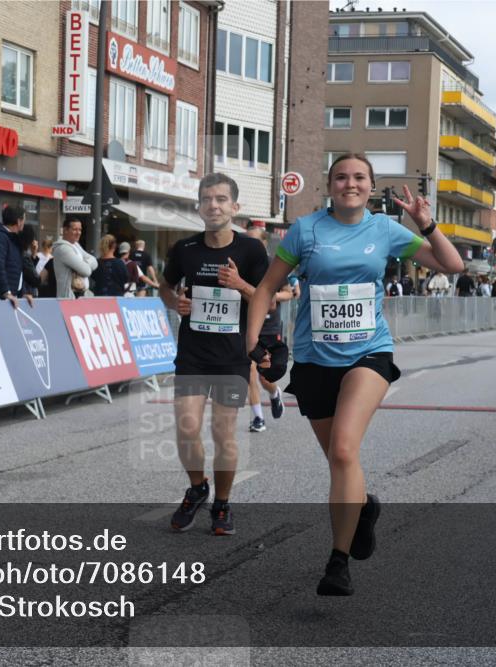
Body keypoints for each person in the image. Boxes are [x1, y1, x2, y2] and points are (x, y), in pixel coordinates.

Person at [245, 153, 463, 596]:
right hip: (314, 359)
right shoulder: (306, 231)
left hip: (369, 353)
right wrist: (252, 346)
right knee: (339, 461)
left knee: (344, 451)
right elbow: (266, 288)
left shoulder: (384, 229)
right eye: (342, 176)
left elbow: (451, 265)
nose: (351, 183)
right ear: (330, 185)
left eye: (359, 177)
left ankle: (337, 562)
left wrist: (427, 224)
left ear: (370, 185)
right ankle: (363, 507)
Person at [159, 173, 268, 537]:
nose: (214, 205)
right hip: (192, 355)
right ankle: (197, 487)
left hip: (232, 358)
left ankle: (221, 503)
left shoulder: (251, 250)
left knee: (223, 433)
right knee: (186, 427)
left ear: (234, 207)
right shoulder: (185, 249)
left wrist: (240, 285)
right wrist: (177, 303)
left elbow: (265, 298)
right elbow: (165, 285)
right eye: (207, 199)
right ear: (199, 206)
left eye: (221, 199)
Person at [244, 226, 293, 433]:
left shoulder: (274, 265)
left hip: (270, 327)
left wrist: (268, 296)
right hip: (247, 327)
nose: (249, 246)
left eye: (254, 241)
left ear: (264, 243)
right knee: (249, 373)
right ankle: (258, 418)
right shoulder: (240, 265)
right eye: (247, 241)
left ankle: (274, 394)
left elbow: (289, 293)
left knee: (265, 377)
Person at [0, 205, 32, 309]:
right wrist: (5, 292)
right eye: (24, 220)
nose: (24, 224)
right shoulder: (0, 238)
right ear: (18, 221)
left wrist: (22, 293)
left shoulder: (13, 240)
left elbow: (17, 271)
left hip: (9, 299)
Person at [52, 218, 97, 299]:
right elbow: (86, 271)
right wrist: (84, 265)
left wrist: (84, 263)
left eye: (80, 230)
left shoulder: (76, 245)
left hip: (81, 297)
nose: (78, 233)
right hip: (69, 299)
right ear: (65, 230)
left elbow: (95, 261)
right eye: (75, 229)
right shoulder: (63, 248)